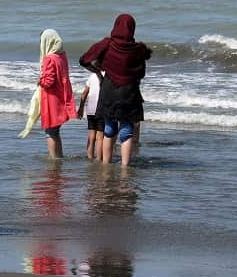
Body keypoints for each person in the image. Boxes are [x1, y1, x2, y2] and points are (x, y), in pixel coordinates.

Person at [79, 14, 152, 167]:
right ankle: (125, 166)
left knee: (109, 128)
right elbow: (141, 74)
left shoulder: (107, 44)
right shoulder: (138, 49)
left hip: (109, 90)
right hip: (130, 93)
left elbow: (84, 60)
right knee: (126, 130)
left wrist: (98, 71)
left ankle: (106, 165)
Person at [18, 29, 76, 158]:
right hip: (60, 97)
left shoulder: (49, 59)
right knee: (56, 131)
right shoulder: (61, 55)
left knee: (50, 131)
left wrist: (40, 81)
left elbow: (49, 81)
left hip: (52, 99)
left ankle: (54, 158)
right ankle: (59, 156)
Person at [77, 70, 105, 161]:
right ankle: (99, 159)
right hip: (102, 109)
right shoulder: (109, 76)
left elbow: (85, 93)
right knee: (100, 137)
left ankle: (90, 157)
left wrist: (81, 108)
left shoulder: (92, 76)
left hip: (90, 110)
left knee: (92, 135)